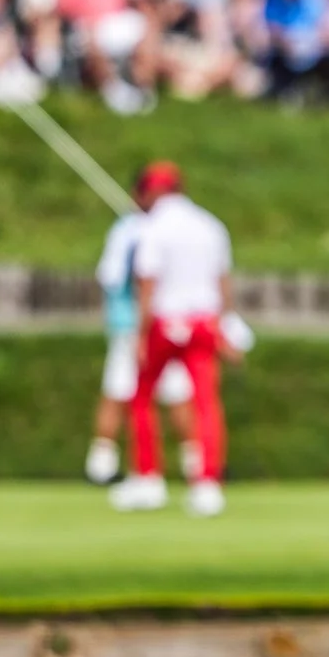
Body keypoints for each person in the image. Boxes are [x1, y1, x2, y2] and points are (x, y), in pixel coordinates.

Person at [113, 161, 248, 516]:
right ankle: (206, 484)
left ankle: (148, 480)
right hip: (203, 322)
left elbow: (147, 285)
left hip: (163, 322)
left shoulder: (150, 229)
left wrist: (139, 335)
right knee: (206, 402)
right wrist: (228, 327)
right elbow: (222, 283)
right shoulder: (209, 225)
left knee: (142, 397)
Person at [84, 169, 198, 488]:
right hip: (134, 325)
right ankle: (102, 466)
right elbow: (114, 278)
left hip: (168, 325)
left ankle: (196, 466)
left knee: (175, 394)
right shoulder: (129, 231)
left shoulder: (169, 230)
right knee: (122, 391)